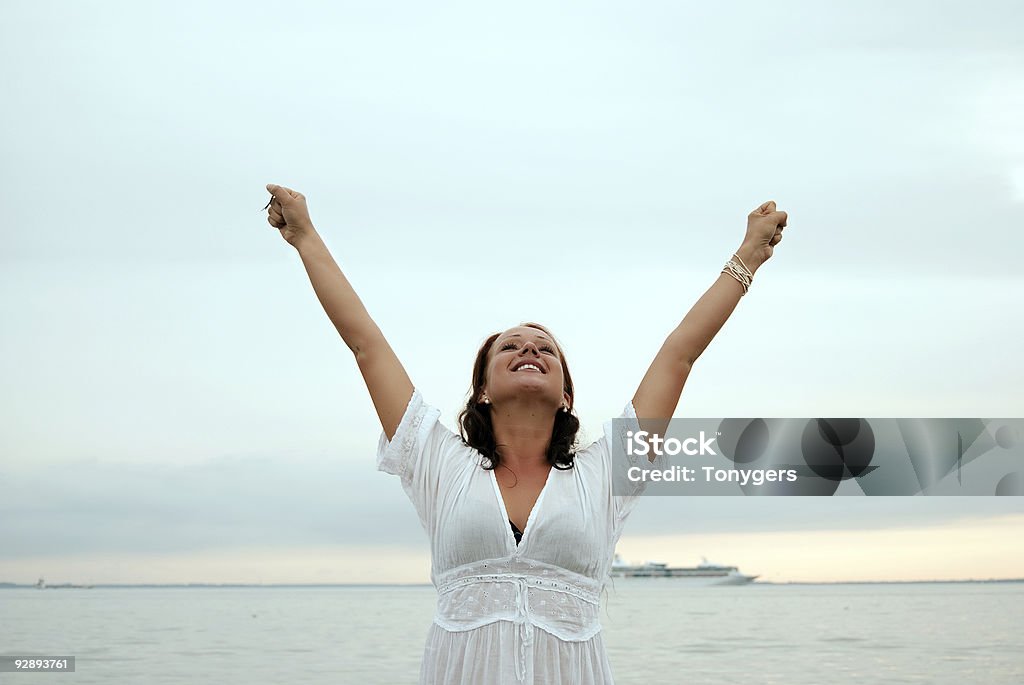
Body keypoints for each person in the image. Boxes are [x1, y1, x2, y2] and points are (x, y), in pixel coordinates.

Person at [264, 183, 788, 684]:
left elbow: (680, 354)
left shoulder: (608, 472)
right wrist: (306, 237)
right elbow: (366, 345)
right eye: (510, 347)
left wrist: (749, 255)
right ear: (484, 389)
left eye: (545, 348)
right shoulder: (437, 462)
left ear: (565, 394)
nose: (530, 350)